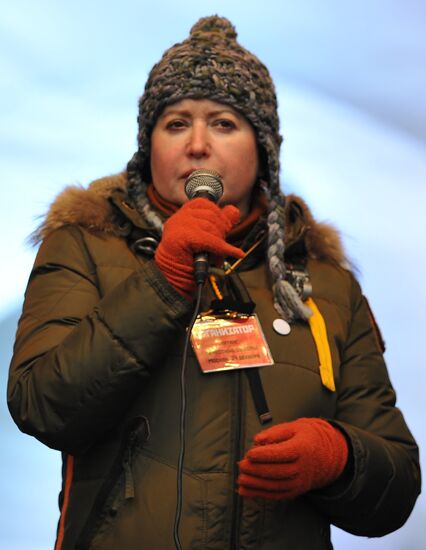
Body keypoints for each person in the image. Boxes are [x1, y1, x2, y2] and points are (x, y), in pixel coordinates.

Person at [7, 15, 420, 550]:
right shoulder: (85, 245)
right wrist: (164, 280)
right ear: (147, 146)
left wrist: (339, 458)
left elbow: (397, 488)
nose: (198, 145)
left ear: (264, 150)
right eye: (176, 123)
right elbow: (43, 405)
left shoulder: (326, 284)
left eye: (224, 123)